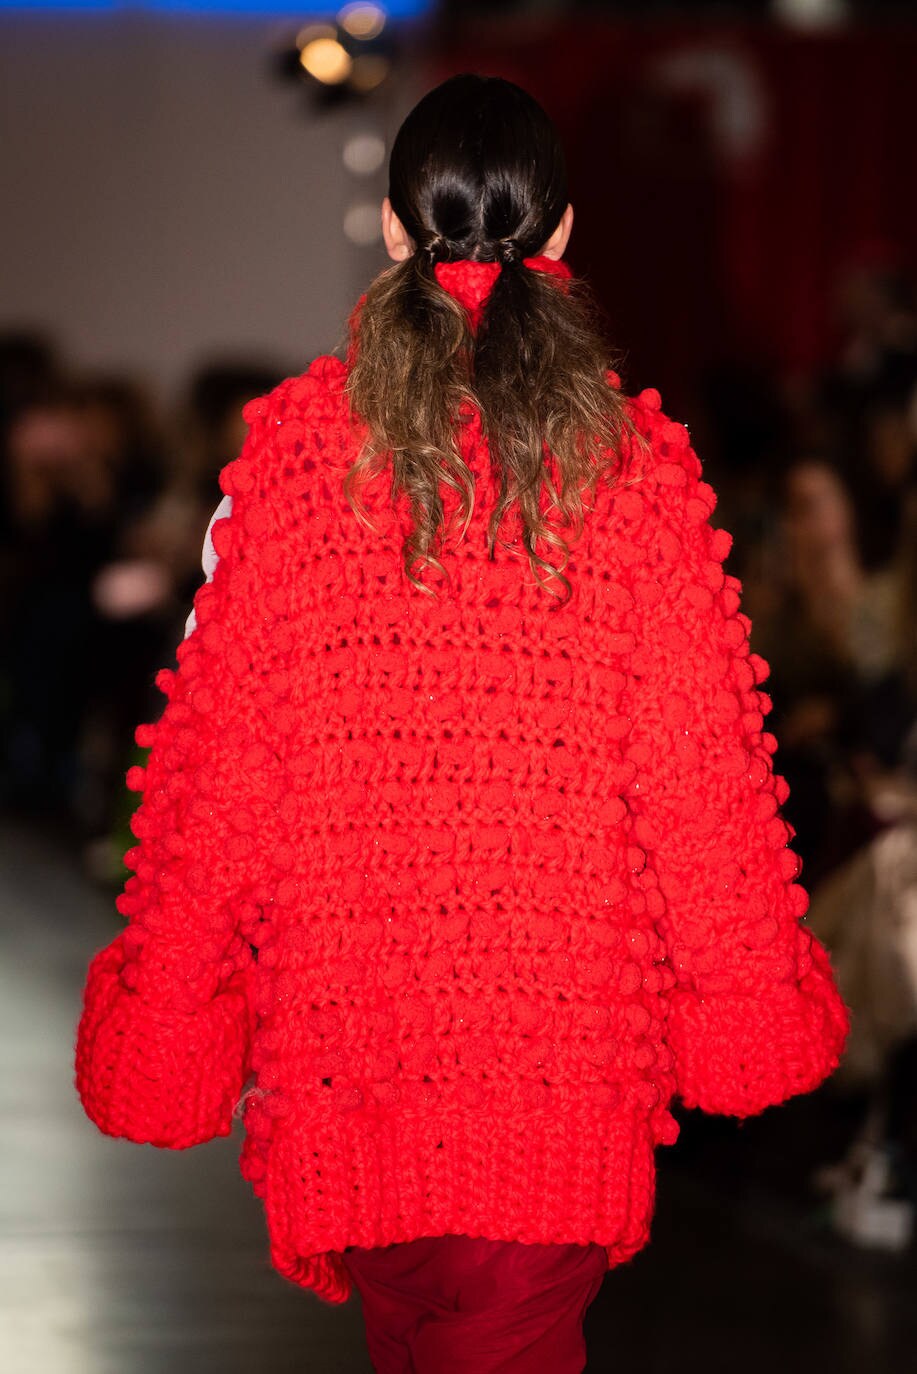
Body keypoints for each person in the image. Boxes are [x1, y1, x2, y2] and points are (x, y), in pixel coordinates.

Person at [74, 75, 850, 1374]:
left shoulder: (296, 470)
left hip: (350, 1076)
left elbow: (215, 783)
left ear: (391, 231)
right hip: (554, 1086)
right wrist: (749, 1001)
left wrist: (168, 1007)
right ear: (557, 239)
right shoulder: (635, 481)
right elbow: (702, 793)